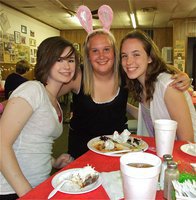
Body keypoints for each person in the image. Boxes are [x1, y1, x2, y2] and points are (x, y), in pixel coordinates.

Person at [57, 6, 191, 159]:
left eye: (107, 49)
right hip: (82, 153)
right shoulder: (78, 76)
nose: (101, 55)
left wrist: (182, 76)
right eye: (95, 50)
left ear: (114, 54)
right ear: (87, 55)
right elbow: (49, 94)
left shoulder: (126, 74)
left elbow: (156, 78)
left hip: (119, 150)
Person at [0, 36, 79, 199]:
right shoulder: (32, 89)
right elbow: (1, 144)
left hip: (37, 186)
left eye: (70, 60)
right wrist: (28, 195)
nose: (67, 66)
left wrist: (53, 162)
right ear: (46, 62)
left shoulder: (54, 102)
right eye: (59, 59)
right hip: (12, 189)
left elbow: (33, 143)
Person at [120, 30, 195, 142]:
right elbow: (147, 116)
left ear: (150, 57)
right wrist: (120, 103)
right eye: (124, 56)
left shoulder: (168, 86)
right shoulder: (141, 86)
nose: (128, 62)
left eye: (136, 54)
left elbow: (187, 141)